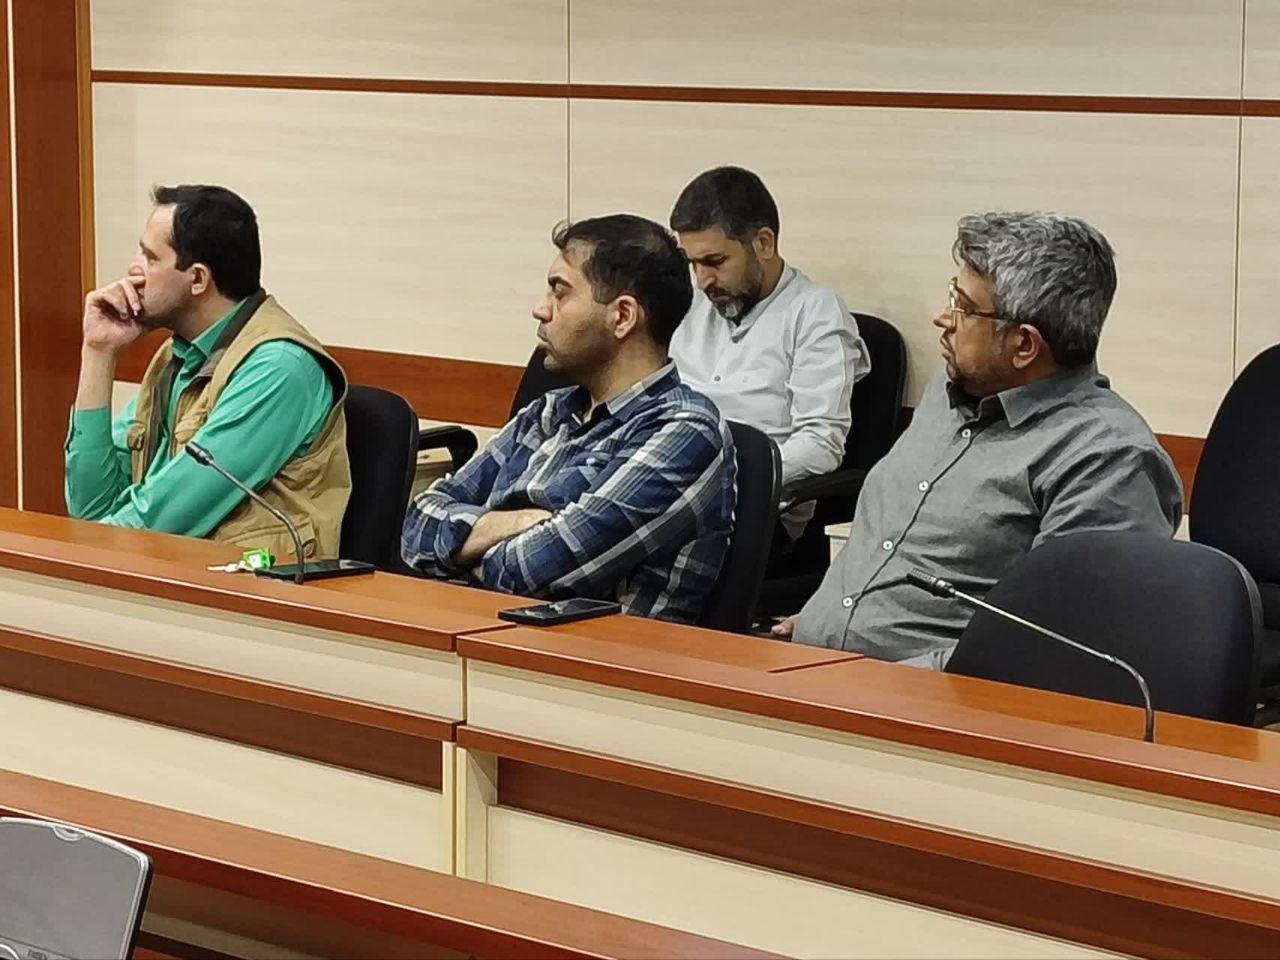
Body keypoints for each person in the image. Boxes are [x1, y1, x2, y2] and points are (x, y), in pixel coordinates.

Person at [775, 211, 1182, 667]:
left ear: (1024, 345)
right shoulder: (954, 387)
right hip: (810, 666)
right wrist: (829, 620)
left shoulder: (1107, 460)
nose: (941, 317)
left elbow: (1057, 647)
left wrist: (864, 678)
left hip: (921, 697)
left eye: (963, 307)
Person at [401, 214, 736, 623]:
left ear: (623, 316)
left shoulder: (685, 431)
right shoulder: (547, 413)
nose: (540, 309)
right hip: (483, 632)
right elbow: (415, 528)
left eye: (560, 293)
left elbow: (531, 573)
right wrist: (516, 523)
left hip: (593, 656)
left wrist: (459, 551)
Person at [65, 185, 350, 561]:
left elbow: (163, 520)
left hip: (254, 588)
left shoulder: (279, 368)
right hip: (175, 571)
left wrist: (83, 555)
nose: (133, 269)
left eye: (150, 258)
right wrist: (98, 352)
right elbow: (91, 508)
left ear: (198, 279)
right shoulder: (177, 355)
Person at [668, 166, 869, 546]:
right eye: (692, 263)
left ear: (763, 243)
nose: (702, 280)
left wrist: (721, 478)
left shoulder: (814, 312)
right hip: (668, 488)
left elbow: (821, 444)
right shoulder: (691, 304)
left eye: (715, 261)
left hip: (751, 513)